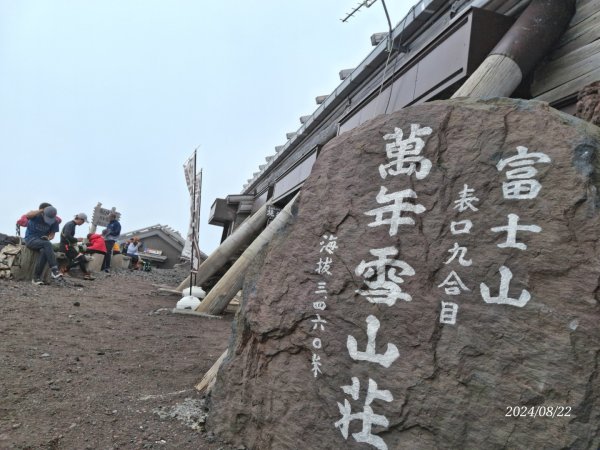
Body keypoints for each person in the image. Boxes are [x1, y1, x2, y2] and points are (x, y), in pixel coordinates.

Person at [23, 205, 63, 285]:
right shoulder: (36, 215)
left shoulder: (55, 221)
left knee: (44, 251)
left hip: (42, 242)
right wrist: (42, 210)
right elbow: (27, 215)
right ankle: (54, 270)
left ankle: (36, 278)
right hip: (30, 239)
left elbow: (52, 235)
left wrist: (48, 238)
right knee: (47, 244)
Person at [59, 213, 95, 280]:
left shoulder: (72, 224)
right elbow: (67, 235)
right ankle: (63, 270)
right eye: (83, 221)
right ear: (80, 219)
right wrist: (77, 239)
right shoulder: (70, 224)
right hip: (66, 246)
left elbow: (67, 236)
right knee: (81, 257)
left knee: (81, 257)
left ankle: (85, 274)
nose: (83, 223)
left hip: (68, 246)